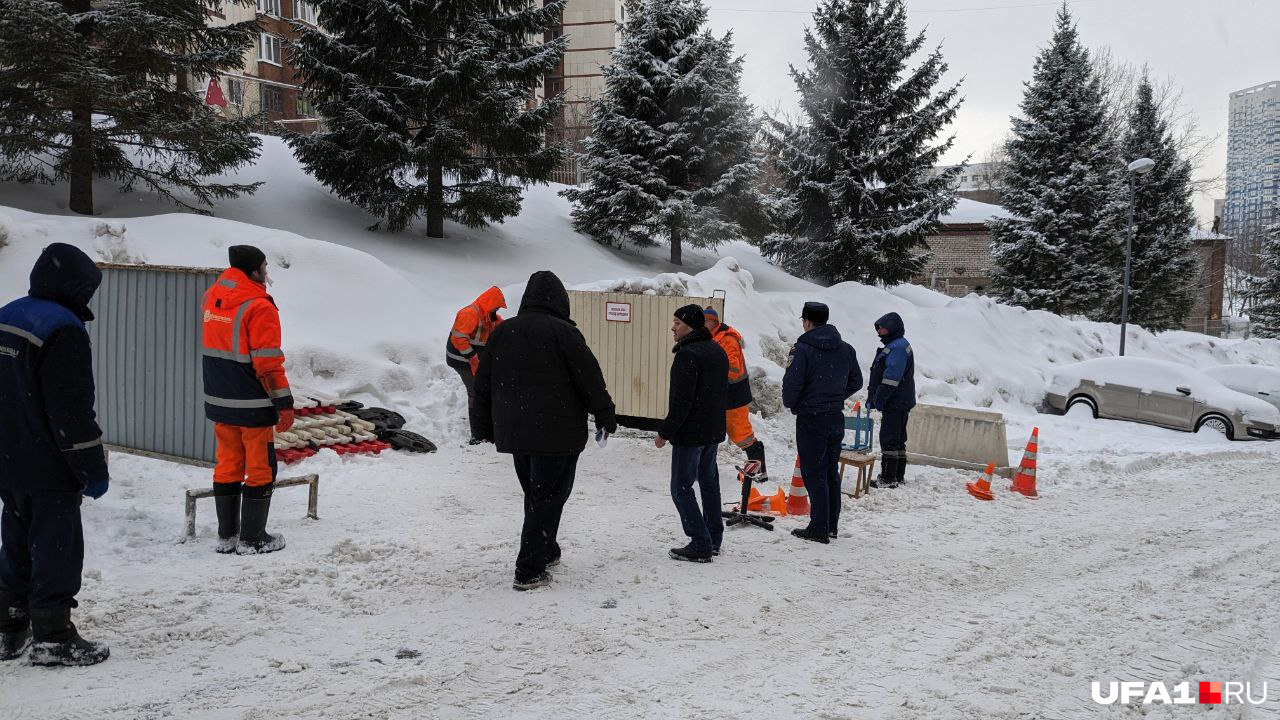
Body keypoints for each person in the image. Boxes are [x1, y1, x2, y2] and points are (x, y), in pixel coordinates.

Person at [0, 243, 110, 666]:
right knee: (56, 545)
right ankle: (53, 637)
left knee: (16, 537)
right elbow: (71, 412)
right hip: (47, 461)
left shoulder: (9, 314)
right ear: (75, 287)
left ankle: (9, 627)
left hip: (8, 457)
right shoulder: (62, 329)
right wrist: (91, 467)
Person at [474, 271, 616, 591]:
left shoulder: (503, 332)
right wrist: (605, 414)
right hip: (558, 435)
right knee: (549, 497)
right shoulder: (564, 333)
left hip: (517, 434)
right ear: (560, 301)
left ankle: (546, 549)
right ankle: (528, 570)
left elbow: (482, 384)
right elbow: (589, 378)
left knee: (537, 495)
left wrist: (483, 427)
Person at [201, 245, 294, 555]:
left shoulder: (212, 298)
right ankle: (254, 539)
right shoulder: (259, 306)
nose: (267, 273)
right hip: (251, 403)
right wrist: (283, 403)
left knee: (227, 464)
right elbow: (267, 363)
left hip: (220, 398)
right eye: (265, 267)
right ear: (254, 270)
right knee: (260, 468)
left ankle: (227, 536)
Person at [781, 302, 861, 544]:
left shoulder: (803, 349)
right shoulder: (846, 349)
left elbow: (792, 385)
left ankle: (818, 527)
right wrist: (833, 397)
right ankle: (830, 525)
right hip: (835, 417)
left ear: (806, 322)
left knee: (813, 472)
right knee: (829, 471)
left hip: (811, 418)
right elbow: (856, 381)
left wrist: (797, 402)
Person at [656, 305, 728, 563]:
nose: (673, 327)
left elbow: (682, 400)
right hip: (711, 432)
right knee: (709, 484)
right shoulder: (717, 351)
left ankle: (700, 542)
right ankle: (713, 537)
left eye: (677, 322)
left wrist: (665, 432)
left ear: (690, 326)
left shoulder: (688, 355)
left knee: (681, 488)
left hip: (692, 434)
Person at [703, 307, 769, 482]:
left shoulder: (728, 340)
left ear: (714, 322)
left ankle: (759, 469)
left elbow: (731, 369)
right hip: (723, 395)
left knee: (741, 434)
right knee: (711, 432)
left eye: (707, 321)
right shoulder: (712, 338)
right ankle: (704, 468)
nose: (704, 325)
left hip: (734, 396)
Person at [446, 287, 507, 444]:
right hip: (460, 358)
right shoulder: (469, 314)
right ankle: (477, 435)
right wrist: (473, 359)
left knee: (484, 390)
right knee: (475, 391)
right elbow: (458, 339)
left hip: (472, 358)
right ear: (489, 304)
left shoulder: (487, 316)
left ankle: (486, 430)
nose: (497, 310)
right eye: (496, 307)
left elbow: (497, 325)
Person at [867, 312, 916, 488]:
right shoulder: (899, 345)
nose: (879, 331)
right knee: (898, 438)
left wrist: (879, 399)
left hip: (895, 401)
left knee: (889, 438)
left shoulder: (897, 348)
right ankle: (897, 475)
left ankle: (888, 478)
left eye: (882, 327)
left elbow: (890, 379)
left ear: (892, 328)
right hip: (901, 400)